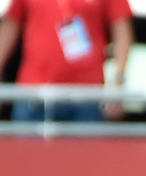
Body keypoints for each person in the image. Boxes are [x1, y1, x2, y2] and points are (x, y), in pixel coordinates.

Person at [0, 0, 132, 122]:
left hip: (87, 96)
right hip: (33, 94)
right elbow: (10, 27)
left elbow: (122, 33)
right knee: (25, 147)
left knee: (86, 148)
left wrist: (117, 85)